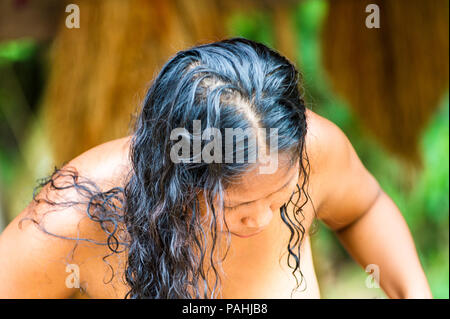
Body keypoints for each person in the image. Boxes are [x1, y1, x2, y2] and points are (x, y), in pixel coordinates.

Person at [0, 38, 432, 299]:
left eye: (280, 196)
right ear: (173, 179)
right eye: (237, 203)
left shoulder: (308, 152)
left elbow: (364, 206)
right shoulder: (79, 216)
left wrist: (414, 291)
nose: (262, 218)